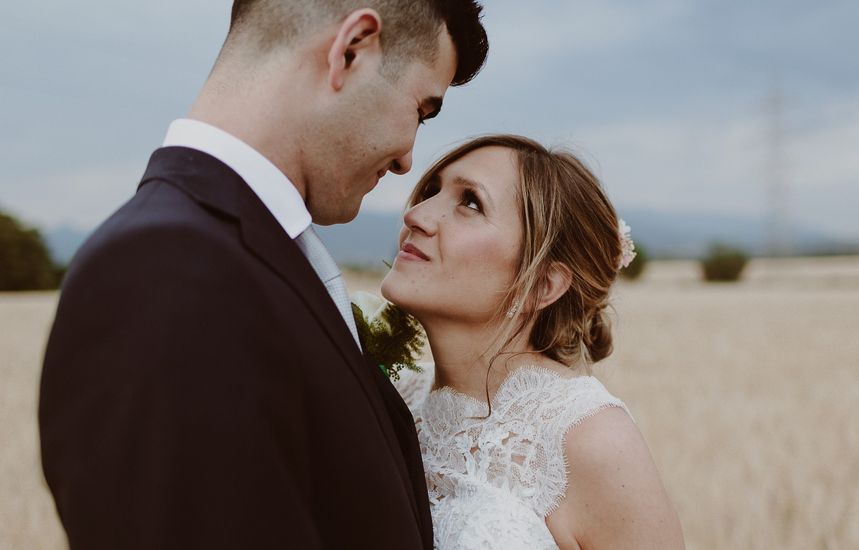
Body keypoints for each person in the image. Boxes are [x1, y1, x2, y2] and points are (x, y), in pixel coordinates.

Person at [39, 2, 487, 549]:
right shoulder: (164, 274)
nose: (406, 162)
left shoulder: (248, 256)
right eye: (421, 110)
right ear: (351, 50)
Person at [381, 135, 685, 549]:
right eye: (432, 191)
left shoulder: (588, 437)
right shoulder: (395, 394)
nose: (416, 214)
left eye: (470, 202)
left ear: (542, 285)